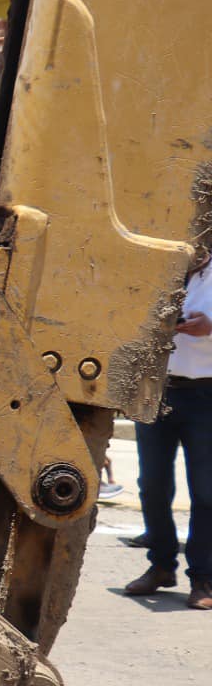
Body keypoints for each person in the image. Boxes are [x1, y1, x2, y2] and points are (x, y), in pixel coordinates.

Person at [125, 247, 212, 610]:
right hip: (157, 389)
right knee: (153, 485)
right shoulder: (163, 267)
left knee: (206, 493)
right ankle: (161, 565)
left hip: (206, 394)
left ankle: (203, 578)